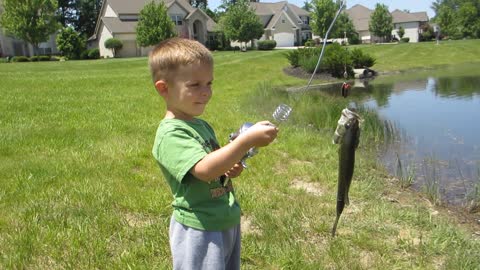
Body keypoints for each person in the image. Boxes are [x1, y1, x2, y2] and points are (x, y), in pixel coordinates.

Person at [149, 37, 278, 269]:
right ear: (164, 88)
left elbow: (216, 167)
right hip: (199, 227)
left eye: (209, 83)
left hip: (224, 220)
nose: (206, 92)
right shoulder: (170, 133)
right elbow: (205, 169)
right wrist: (246, 141)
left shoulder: (201, 125)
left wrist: (231, 167)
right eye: (195, 85)